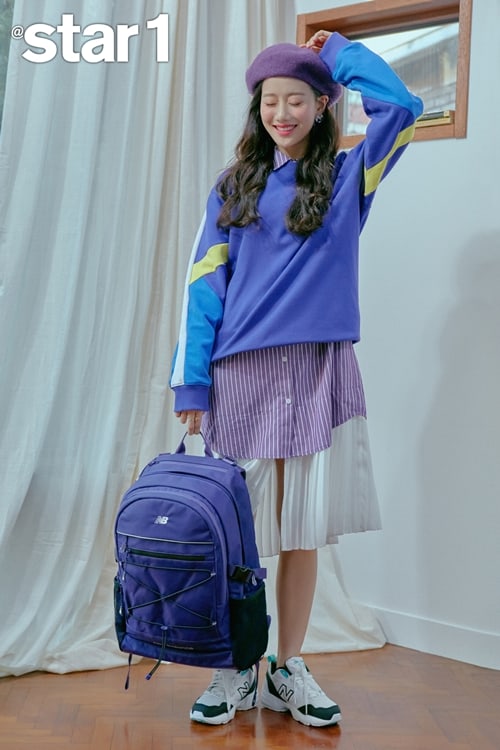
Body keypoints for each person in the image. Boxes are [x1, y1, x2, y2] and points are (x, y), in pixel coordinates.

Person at [170, 29, 423, 727]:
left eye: (296, 100)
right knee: (240, 533)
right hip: (242, 375)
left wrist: (337, 53)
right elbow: (203, 287)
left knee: (303, 531)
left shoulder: (348, 177)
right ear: (257, 109)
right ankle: (237, 667)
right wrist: (192, 386)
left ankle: (287, 666)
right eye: (269, 101)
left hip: (318, 369)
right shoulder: (234, 186)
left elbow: (403, 107)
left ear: (322, 105)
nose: (281, 113)